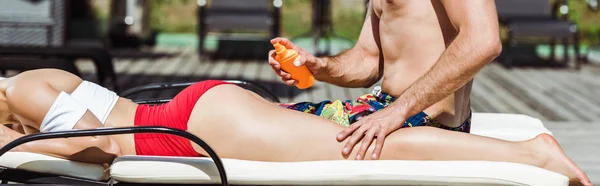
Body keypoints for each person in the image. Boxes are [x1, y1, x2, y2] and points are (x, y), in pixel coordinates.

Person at [0, 69, 592, 185]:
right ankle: (525, 155)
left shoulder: (21, 90)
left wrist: (15, 143)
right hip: (196, 112)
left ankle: (531, 155)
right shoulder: (33, 80)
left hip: (190, 126)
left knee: (360, 150)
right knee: (353, 147)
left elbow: (99, 147)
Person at [269, 0, 503, 160]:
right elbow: (368, 59)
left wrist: (398, 110)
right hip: (384, 112)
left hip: (421, 123)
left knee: (253, 121)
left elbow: (482, 40)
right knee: (258, 109)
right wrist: (320, 67)